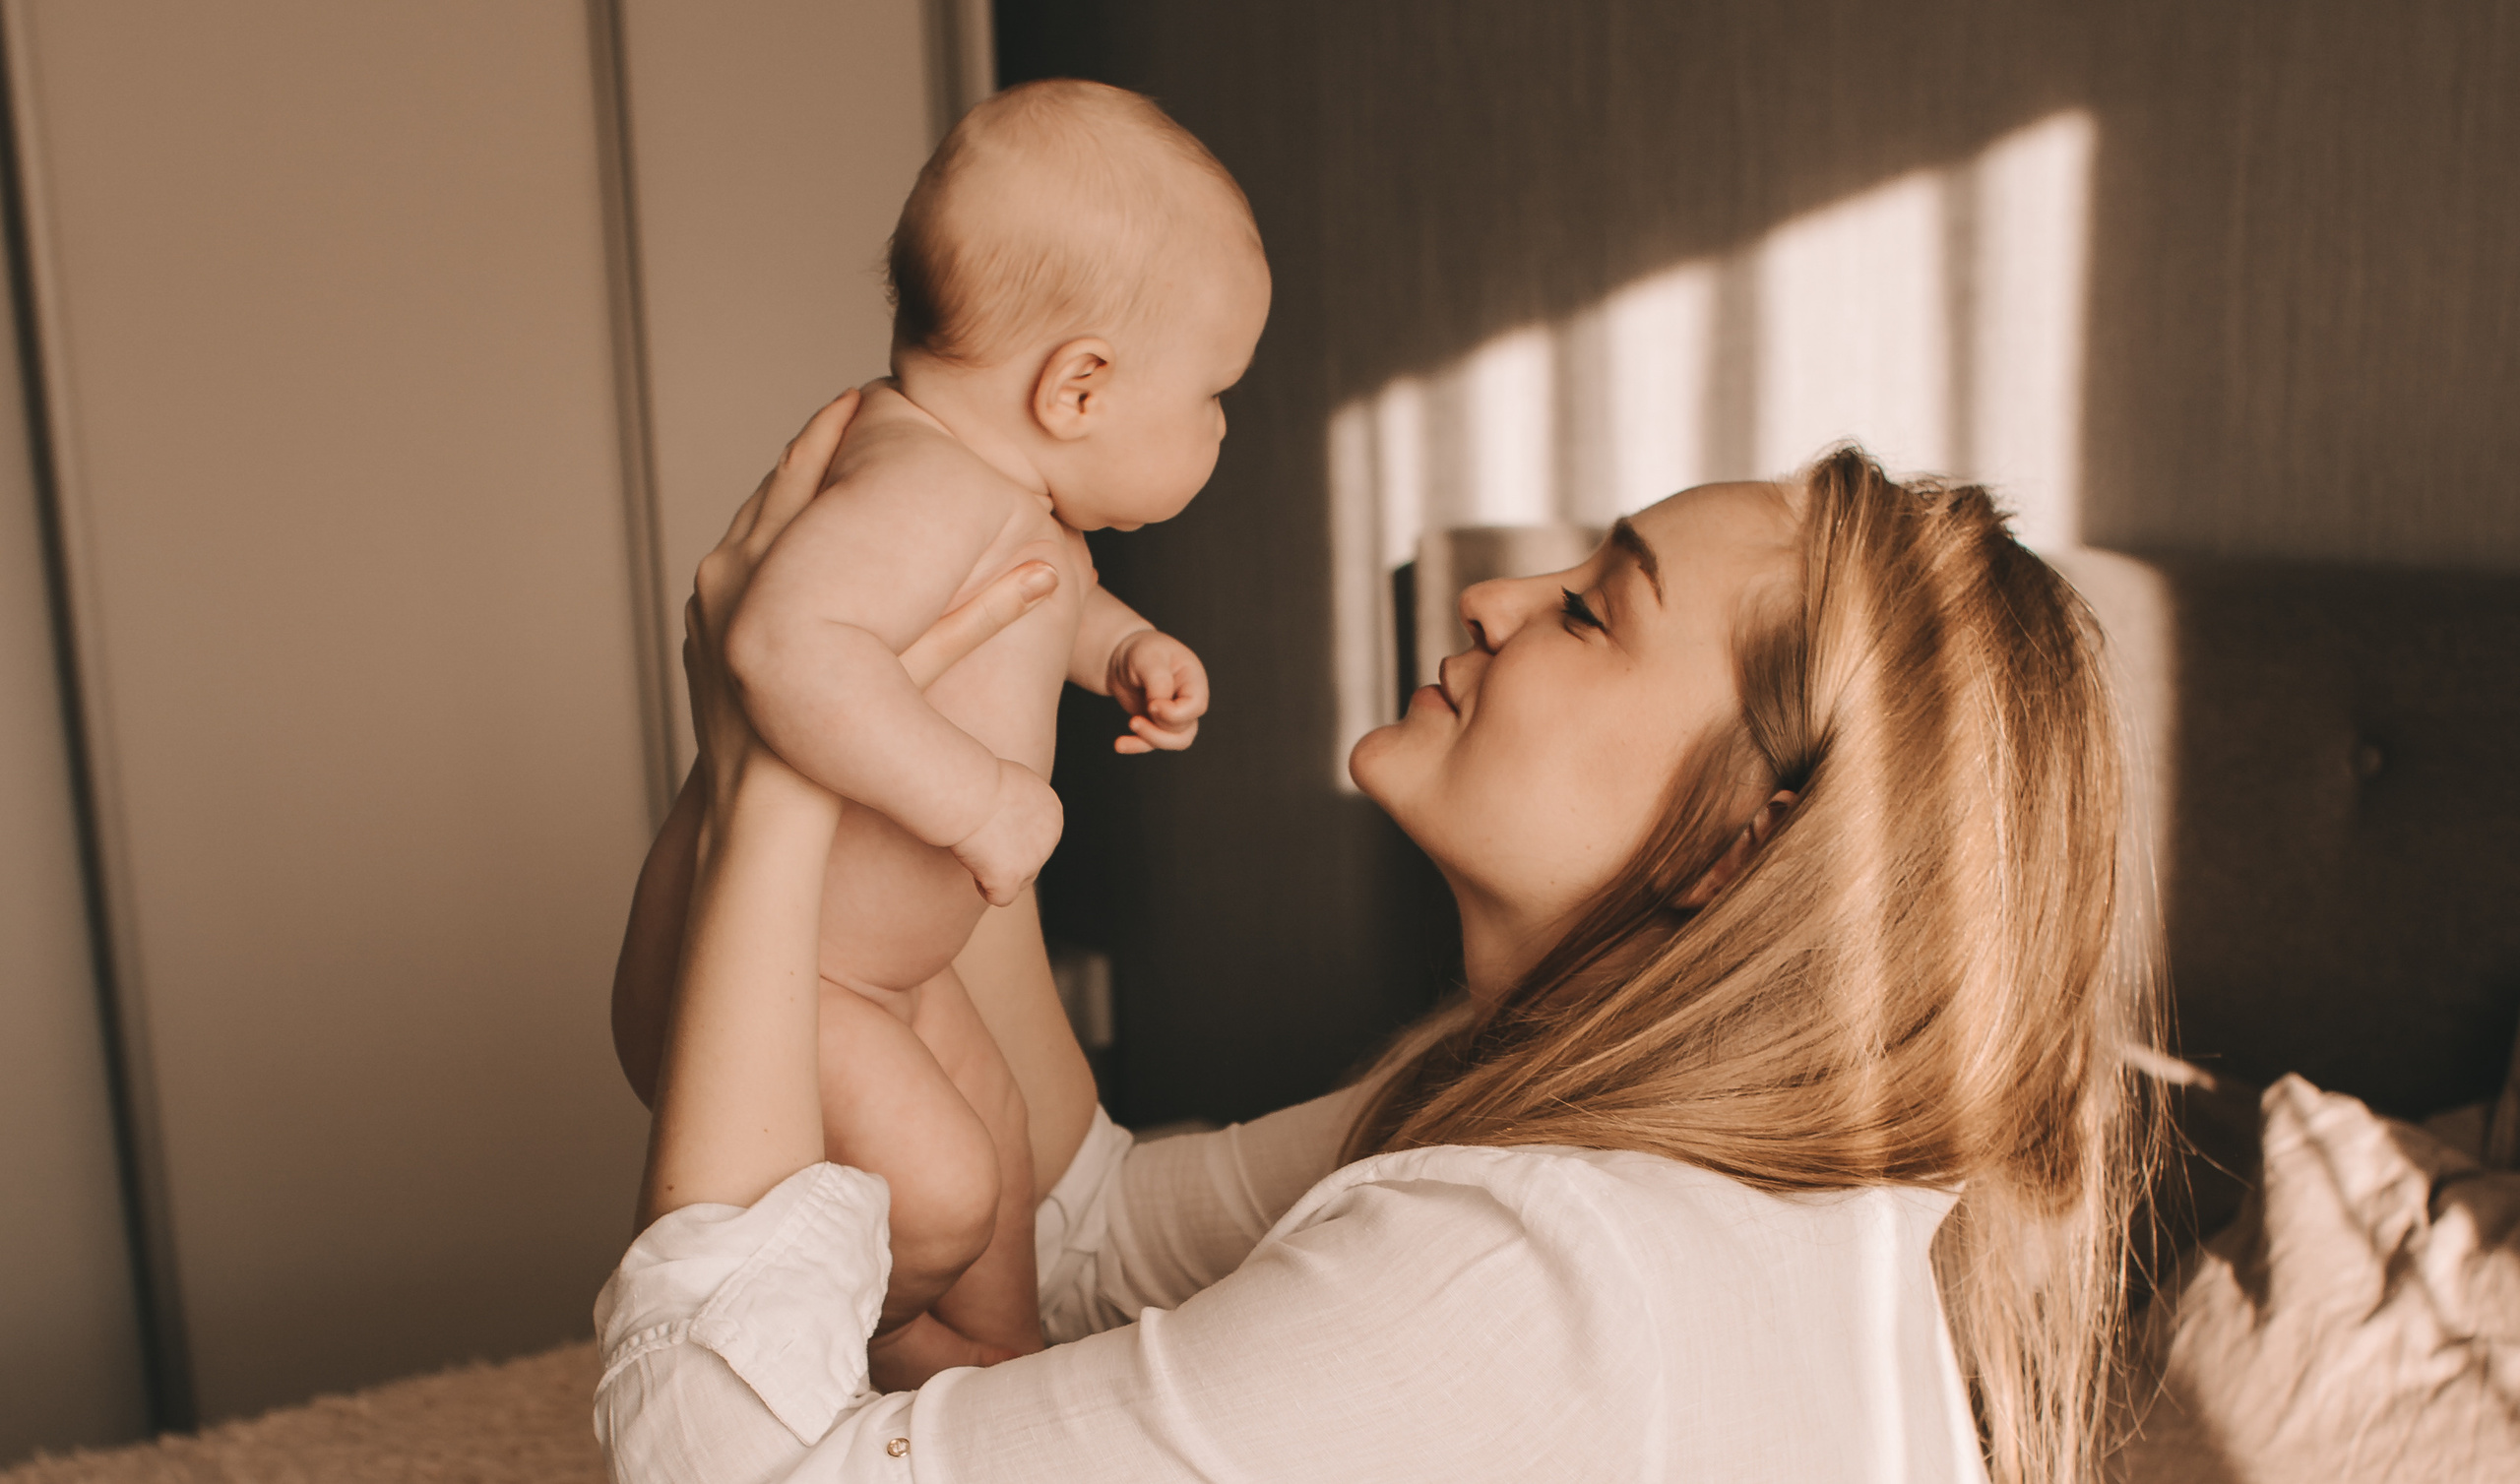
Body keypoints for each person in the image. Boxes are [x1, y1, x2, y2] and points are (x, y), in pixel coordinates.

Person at [596, 392, 2160, 1484]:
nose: (1492, 595)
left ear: (1744, 845)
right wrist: (957, 716)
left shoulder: (1542, 1275)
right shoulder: (1611, 1141)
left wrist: (774, 787)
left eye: (1593, 611)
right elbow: (1085, 1243)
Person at [607, 79, 1271, 1376]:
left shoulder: (992, 493)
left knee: (1004, 1159)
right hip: (792, 980)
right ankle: (833, 1355)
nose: (1220, 425)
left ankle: (994, 1373)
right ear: (1078, 387)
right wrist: (980, 800)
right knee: (948, 1192)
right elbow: (783, 645)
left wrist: (1120, 648)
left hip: (886, 977)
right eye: (1212, 393)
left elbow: (1034, 600)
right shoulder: (919, 483)